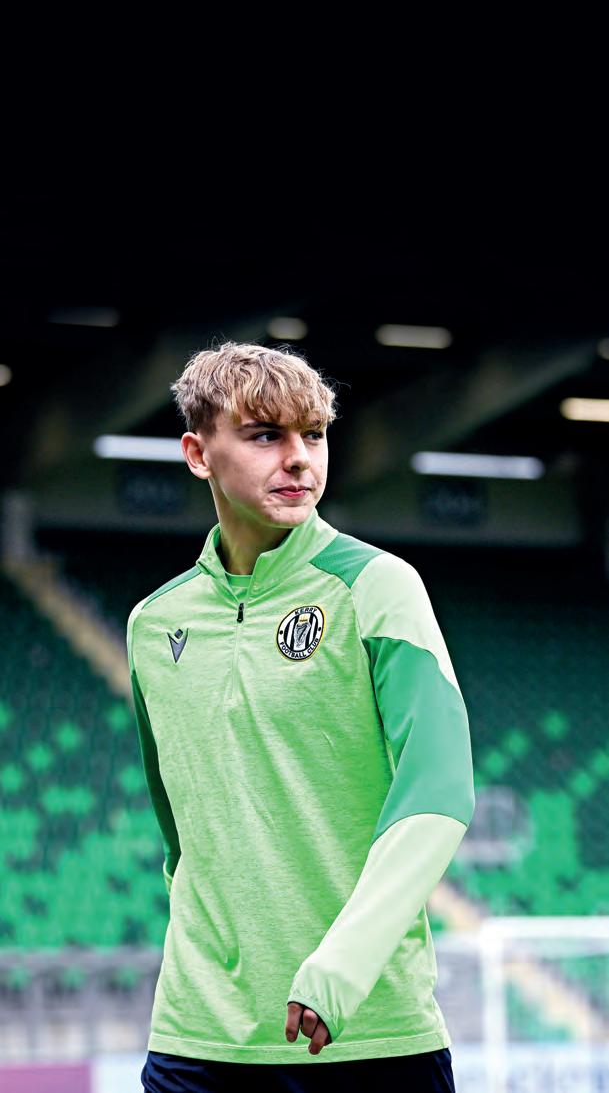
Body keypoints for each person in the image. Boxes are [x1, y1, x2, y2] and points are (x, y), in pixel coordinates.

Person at [128, 341, 475, 1093]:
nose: (298, 459)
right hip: (196, 1042)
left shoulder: (378, 587)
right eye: (264, 435)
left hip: (367, 1038)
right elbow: (180, 836)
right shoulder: (153, 624)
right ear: (198, 454)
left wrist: (345, 962)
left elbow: (439, 789)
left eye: (312, 435)